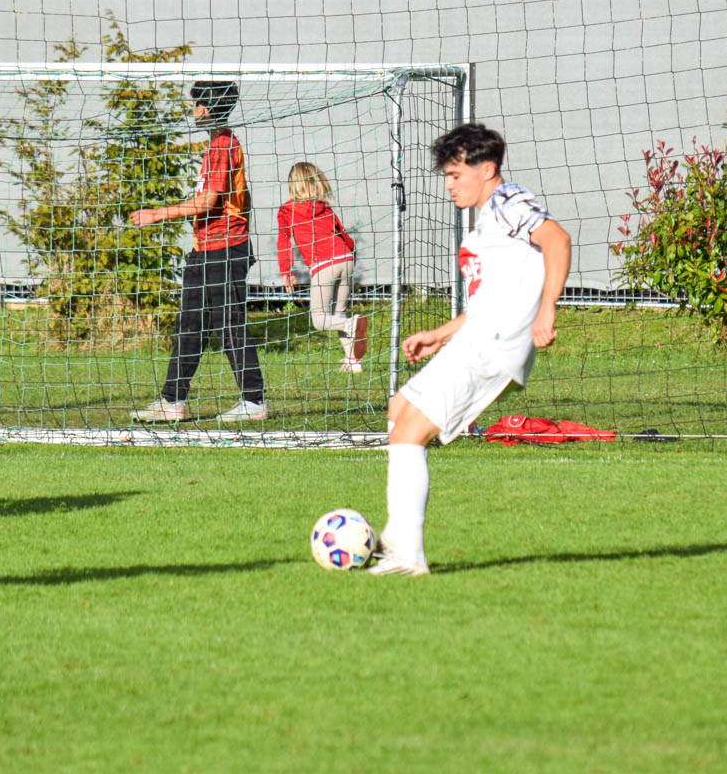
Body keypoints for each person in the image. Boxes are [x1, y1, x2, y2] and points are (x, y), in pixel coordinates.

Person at [373, 123, 571, 576]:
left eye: (456, 175)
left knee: (408, 434)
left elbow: (557, 239)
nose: (449, 185)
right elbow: (491, 300)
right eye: (447, 175)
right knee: (399, 408)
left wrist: (548, 309)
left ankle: (406, 554)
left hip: (495, 346)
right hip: (479, 337)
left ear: (487, 169)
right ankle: (396, 540)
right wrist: (441, 334)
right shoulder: (487, 216)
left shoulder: (508, 202)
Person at [128, 80, 267, 423]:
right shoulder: (215, 145)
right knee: (189, 325)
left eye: (195, 105)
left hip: (224, 250)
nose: (192, 111)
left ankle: (254, 401)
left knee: (229, 324)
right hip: (204, 248)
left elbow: (209, 201)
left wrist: (157, 214)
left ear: (205, 108)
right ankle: (172, 401)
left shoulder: (223, 145)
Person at [276, 161, 368, 372]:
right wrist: (350, 255)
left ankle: (351, 325)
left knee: (319, 319)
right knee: (338, 314)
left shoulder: (287, 210)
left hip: (324, 264)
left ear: (293, 185)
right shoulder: (325, 209)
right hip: (345, 258)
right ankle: (353, 362)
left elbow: (284, 241)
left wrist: (286, 271)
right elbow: (343, 235)